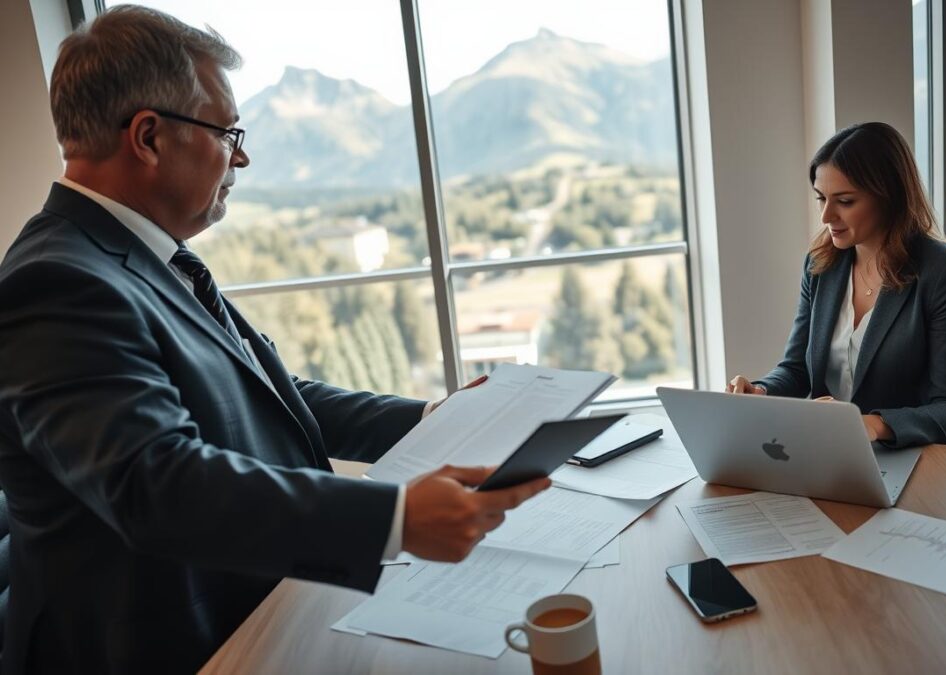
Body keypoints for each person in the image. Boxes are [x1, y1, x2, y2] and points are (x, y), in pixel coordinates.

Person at [0, 6, 548, 672]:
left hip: (246, 608)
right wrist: (395, 518)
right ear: (147, 137)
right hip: (159, 645)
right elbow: (157, 483)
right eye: (228, 131)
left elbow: (267, 393)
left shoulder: (138, 255)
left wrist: (438, 419)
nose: (242, 155)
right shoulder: (57, 281)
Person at [726, 122, 946, 448]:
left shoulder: (945, 272)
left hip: (918, 458)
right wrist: (760, 391)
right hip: (832, 454)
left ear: (889, 197)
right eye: (821, 199)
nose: (826, 216)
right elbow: (797, 369)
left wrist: (871, 425)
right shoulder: (821, 266)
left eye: (845, 201)